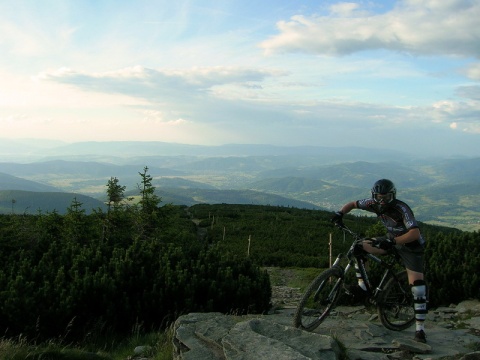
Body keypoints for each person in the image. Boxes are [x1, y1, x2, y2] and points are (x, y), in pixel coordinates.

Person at [331, 179, 428, 343]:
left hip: (411, 246)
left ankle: (420, 330)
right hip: (391, 239)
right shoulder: (372, 203)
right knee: (359, 247)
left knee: (418, 288)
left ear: (393, 195)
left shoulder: (402, 208)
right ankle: (363, 287)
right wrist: (340, 213)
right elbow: (353, 204)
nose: (382, 201)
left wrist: (394, 242)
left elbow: (415, 233)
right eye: (379, 197)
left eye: (387, 197)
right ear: (373, 196)